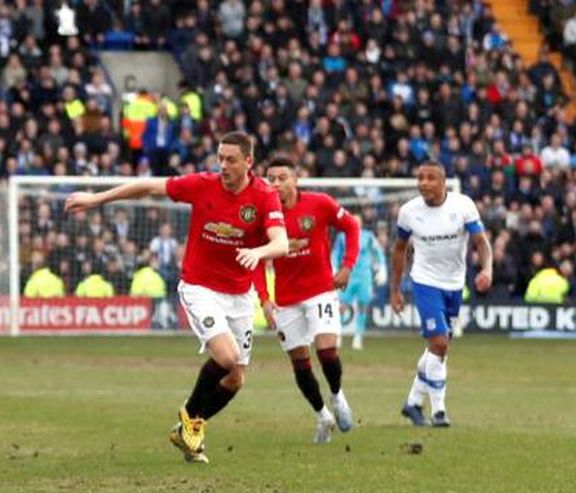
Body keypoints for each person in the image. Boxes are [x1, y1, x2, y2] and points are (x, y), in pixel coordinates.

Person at [65, 131, 288, 464]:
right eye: (220, 158)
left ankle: (189, 427)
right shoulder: (201, 184)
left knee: (236, 379)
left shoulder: (264, 195)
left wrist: (258, 252)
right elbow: (147, 187)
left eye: (231, 160)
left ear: (249, 162)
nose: (223, 165)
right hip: (200, 286)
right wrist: (97, 199)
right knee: (225, 358)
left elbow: (281, 243)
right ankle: (190, 415)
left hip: (239, 294)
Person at [260, 156, 360, 444]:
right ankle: (322, 416)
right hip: (286, 299)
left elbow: (351, 226)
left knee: (327, 351)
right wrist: (265, 299)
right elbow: (256, 261)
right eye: (271, 179)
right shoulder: (265, 215)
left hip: (320, 290)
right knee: (300, 363)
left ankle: (338, 397)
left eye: (282, 177)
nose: (276, 184)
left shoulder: (320, 203)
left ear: (296, 179)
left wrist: (347, 266)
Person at [390, 161, 492, 427]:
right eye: (420, 177)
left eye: (430, 178)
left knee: (438, 349)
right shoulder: (409, 212)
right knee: (440, 344)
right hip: (425, 282)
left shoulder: (463, 206)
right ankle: (439, 411)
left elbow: (481, 242)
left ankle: (412, 403)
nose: (423, 182)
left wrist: (487, 269)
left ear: (443, 182)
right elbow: (399, 249)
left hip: (455, 284)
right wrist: (395, 289)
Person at [334, 216, 387, 350]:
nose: (356, 224)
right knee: (342, 305)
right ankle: (338, 334)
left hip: (364, 276)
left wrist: (382, 268)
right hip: (347, 275)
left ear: (362, 223)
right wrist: (334, 267)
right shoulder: (342, 236)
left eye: (358, 222)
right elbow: (335, 253)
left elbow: (377, 252)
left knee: (363, 305)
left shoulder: (368, 236)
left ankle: (358, 337)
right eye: (354, 221)